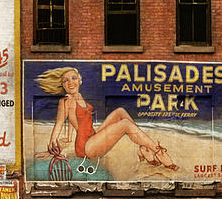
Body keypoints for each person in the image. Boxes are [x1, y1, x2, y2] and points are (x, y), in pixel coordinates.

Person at [36, 66, 177, 170]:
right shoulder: (65, 101)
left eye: (73, 78)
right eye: (65, 80)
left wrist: (68, 135)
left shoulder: (79, 96)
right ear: (63, 85)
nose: (70, 82)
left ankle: (143, 148)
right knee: (126, 124)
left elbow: (76, 122)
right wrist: (50, 149)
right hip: (86, 148)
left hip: (92, 137)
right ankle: (157, 151)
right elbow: (59, 124)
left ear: (80, 80)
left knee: (120, 112)